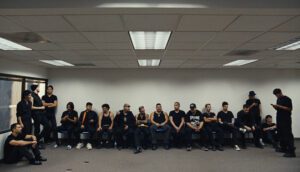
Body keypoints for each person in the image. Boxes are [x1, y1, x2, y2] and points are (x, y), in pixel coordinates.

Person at [271, 88, 295, 157]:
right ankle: (283, 148)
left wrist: (279, 106)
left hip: (286, 119)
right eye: (275, 95)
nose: (276, 96)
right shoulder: (278, 99)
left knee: (287, 134)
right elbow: (278, 109)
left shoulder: (287, 99)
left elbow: (290, 109)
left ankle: (291, 152)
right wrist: (275, 107)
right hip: (279, 118)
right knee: (280, 133)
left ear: (280, 92)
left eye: (277, 94)